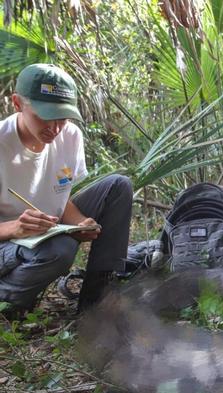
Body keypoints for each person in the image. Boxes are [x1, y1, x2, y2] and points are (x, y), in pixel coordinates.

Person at [0, 63, 133, 317]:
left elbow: (60, 198)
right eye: (44, 115)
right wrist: (14, 228)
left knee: (118, 186)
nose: (54, 127)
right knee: (60, 249)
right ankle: (8, 300)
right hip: (7, 244)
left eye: (61, 117)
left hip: (45, 231)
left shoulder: (70, 136)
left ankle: (97, 297)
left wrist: (81, 223)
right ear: (17, 103)